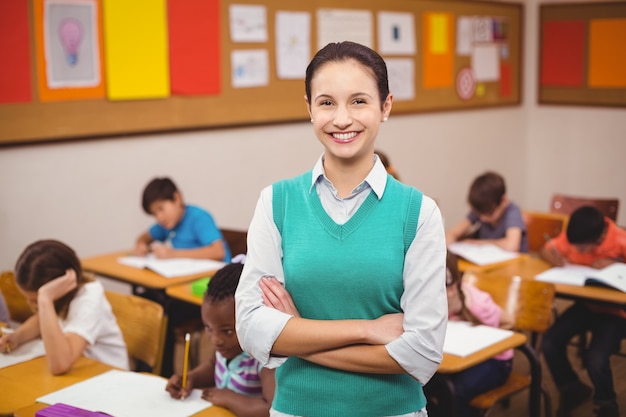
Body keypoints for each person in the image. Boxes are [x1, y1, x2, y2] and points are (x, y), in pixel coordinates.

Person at [235, 41, 447, 417]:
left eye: (359, 101)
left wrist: (296, 333)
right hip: (296, 410)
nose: (342, 119)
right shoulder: (276, 203)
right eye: (327, 102)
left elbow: (422, 353)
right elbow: (252, 330)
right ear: (309, 109)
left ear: (386, 107)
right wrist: (366, 330)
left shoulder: (420, 213)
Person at [540, 205, 626, 417]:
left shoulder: (619, 239)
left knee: (595, 358)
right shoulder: (576, 235)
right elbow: (546, 249)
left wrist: (615, 264)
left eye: (582, 248)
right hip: (587, 305)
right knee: (550, 342)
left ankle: (607, 405)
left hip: (616, 313)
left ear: (600, 238)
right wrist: (553, 258)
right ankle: (572, 389)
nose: (576, 252)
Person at [0, 240, 128, 374]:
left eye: (35, 300)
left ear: (60, 286)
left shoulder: (89, 298)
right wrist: (17, 337)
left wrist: (45, 300)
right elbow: (40, 321)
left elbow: (60, 365)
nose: (30, 304)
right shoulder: (61, 298)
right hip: (79, 372)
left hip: (110, 375)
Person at [166, 263, 275, 416]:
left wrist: (230, 399)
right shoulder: (226, 347)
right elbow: (213, 365)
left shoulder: (264, 360)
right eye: (208, 328)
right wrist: (191, 378)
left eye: (228, 331)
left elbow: (270, 409)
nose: (215, 339)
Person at [425, 252, 514, 417]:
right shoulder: (430, 302)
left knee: (457, 392)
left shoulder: (477, 303)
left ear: (453, 287)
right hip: (456, 359)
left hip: (494, 360)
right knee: (416, 386)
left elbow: (508, 321)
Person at [134, 176, 231, 262]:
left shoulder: (199, 217)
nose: (159, 217)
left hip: (218, 277)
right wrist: (141, 244)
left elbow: (219, 252)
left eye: (161, 209)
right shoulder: (166, 224)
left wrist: (173, 254)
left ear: (177, 198)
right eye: (154, 214)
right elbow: (144, 237)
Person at [445, 171, 528, 253]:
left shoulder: (512, 212)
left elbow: (512, 246)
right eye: (479, 214)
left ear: (504, 201)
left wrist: (475, 243)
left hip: (515, 263)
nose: (483, 218)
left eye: (490, 213)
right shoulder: (482, 210)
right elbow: (453, 232)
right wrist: (450, 239)